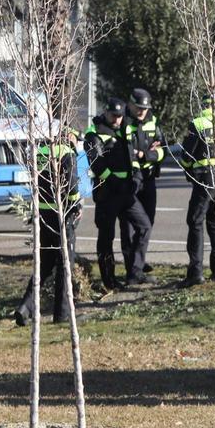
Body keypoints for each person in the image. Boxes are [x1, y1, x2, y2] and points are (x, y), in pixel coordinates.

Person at [14, 128, 82, 325]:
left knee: (44, 264)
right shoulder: (66, 153)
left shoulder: (42, 152)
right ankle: (62, 315)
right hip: (61, 216)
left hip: (43, 214)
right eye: (76, 139)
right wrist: (76, 204)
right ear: (70, 137)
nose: (77, 143)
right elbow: (72, 186)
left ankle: (25, 307)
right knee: (64, 265)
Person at [84, 97, 153, 289]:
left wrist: (137, 178)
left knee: (144, 226)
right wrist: (114, 181)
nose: (117, 120)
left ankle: (135, 272)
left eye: (120, 116)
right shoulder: (94, 133)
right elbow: (97, 164)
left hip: (127, 192)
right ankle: (109, 280)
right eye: (113, 116)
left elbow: (134, 156)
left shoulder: (126, 129)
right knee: (106, 237)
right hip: (107, 193)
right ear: (105, 113)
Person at [179, 90, 215, 287]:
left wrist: (188, 172)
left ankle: (195, 272)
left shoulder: (198, 124)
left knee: (195, 222)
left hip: (204, 179)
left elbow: (187, 155)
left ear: (203, 106)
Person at [120, 88, 166, 278]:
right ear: (130, 104)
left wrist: (144, 154)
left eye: (145, 108)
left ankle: (138, 261)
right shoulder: (122, 122)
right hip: (130, 180)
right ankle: (133, 267)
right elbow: (125, 152)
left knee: (148, 221)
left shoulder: (153, 122)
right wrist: (143, 154)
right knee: (129, 226)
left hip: (148, 179)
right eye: (138, 107)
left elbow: (161, 149)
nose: (142, 111)